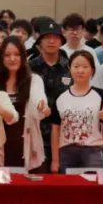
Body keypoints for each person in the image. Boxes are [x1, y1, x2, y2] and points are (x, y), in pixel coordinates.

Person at [48, 51, 103, 173]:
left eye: (85, 67)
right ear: (69, 69)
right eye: (76, 66)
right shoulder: (60, 96)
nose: (80, 70)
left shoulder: (101, 95)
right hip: (66, 151)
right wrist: (55, 160)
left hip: (93, 150)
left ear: (92, 70)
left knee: (92, 183)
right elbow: (55, 129)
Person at [0, 37, 49, 170]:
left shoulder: (34, 80)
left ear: (23, 56)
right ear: (1, 58)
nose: (12, 59)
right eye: (7, 55)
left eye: (17, 54)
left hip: (26, 142)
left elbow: (38, 98)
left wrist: (42, 107)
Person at [29, 21, 70, 173]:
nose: (51, 41)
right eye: (47, 37)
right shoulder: (29, 68)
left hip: (65, 133)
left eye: (56, 38)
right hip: (37, 132)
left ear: (61, 41)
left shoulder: (70, 66)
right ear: (40, 41)